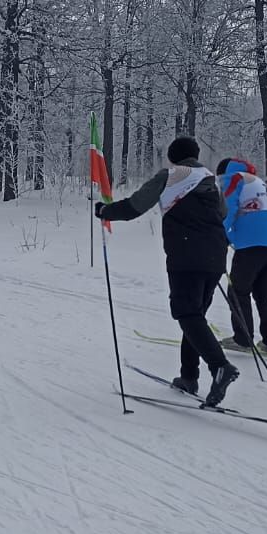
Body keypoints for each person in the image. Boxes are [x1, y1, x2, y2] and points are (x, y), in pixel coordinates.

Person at [95, 136, 239, 408]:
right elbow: (223, 213)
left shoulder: (171, 175)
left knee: (187, 313)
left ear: (173, 156)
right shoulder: (209, 178)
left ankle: (220, 367)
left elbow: (136, 205)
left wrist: (105, 211)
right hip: (216, 253)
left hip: (187, 253)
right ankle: (189, 376)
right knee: (195, 316)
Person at [216, 157, 267, 354]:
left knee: (237, 291)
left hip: (252, 241)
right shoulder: (256, 181)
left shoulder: (233, 178)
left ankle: (243, 339)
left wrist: (219, 236)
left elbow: (227, 211)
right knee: (264, 294)